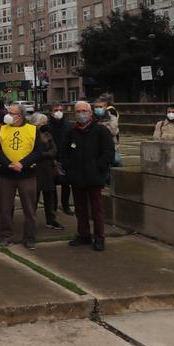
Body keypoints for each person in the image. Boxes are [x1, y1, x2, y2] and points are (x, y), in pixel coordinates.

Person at [61, 101, 115, 251]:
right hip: (76, 178)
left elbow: (108, 153)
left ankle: (99, 237)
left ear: (90, 113)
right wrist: (69, 168)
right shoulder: (71, 132)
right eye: (78, 111)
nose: (81, 114)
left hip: (95, 177)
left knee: (97, 209)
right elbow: (63, 154)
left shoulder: (100, 130)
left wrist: (99, 168)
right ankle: (83, 234)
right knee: (80, 208)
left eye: (84, 110)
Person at [0, 103, 42, 250]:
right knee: (5, 208)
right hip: (6, 175)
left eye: (12, 113)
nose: (8, 115)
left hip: (27, 175)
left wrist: (22, 164)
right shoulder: (1, 129)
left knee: (29, 208)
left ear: (20, 116)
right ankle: (5, 236)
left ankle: (30, 237)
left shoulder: (33, 130)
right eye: (8, 112)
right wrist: (8, 164)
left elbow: (37, 152)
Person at [32, 114, 63, 231]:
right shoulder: (31, 135)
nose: (45, 125)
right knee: (34, 197)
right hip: (36, 169)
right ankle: (31, 220)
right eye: (42, 122)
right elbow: (34, 151)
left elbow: (54, 149)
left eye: (46, 122)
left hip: (48, 169)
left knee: (49, 195)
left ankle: (51, 219)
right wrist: (44, 154)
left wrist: (45, 154)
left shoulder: (48, 134)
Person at [47, 103, 74, 216]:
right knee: (52, 185)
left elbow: (73, 141)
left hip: (65, 158)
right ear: (50, 112)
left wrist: (71, 152)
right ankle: (53, 207)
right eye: (56, 110)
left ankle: (66, 206)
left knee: (66, 184)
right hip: (51, 160)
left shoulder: (68, 125)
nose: (59, 112)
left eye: (60, 110)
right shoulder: (47, 126)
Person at [94, 96, 121, 167]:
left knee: (116, 161)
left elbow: (112, 132)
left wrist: (97, 127)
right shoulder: (91, 119)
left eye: (100, 107)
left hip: (110, 148)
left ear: (105, 107)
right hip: (95, 148)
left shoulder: (112, 118)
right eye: (96, 107)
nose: (98, 109)